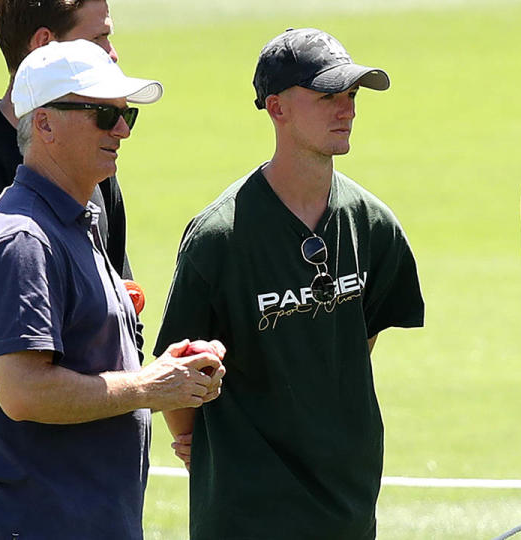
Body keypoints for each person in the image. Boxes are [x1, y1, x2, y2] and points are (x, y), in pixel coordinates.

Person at [155, 28, 425, 539]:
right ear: (276, 108)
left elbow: (354, 345)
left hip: (347, 506)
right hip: (245, 514)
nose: (346, 109)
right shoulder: (219, 236)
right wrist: (212, 452)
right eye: (327, 96)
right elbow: (176, 368)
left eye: (351, 95)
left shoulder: (373, 224)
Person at [0, 40, 225, 538]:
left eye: (125, 116)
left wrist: (169, 371)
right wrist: (149, 386)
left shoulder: (76, 221)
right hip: (36, 523)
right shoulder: (23, 240)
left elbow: (89, 361)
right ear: (46, 124)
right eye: (102, 114)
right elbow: (24, 392)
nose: (121, 129)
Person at [0, 2, 136, 538]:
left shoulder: (91, 165)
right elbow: (2, 342)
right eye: (99, 39)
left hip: (83, 460)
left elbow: (120, 295)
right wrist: (147, 388)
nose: (113, 52)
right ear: (43, 47)